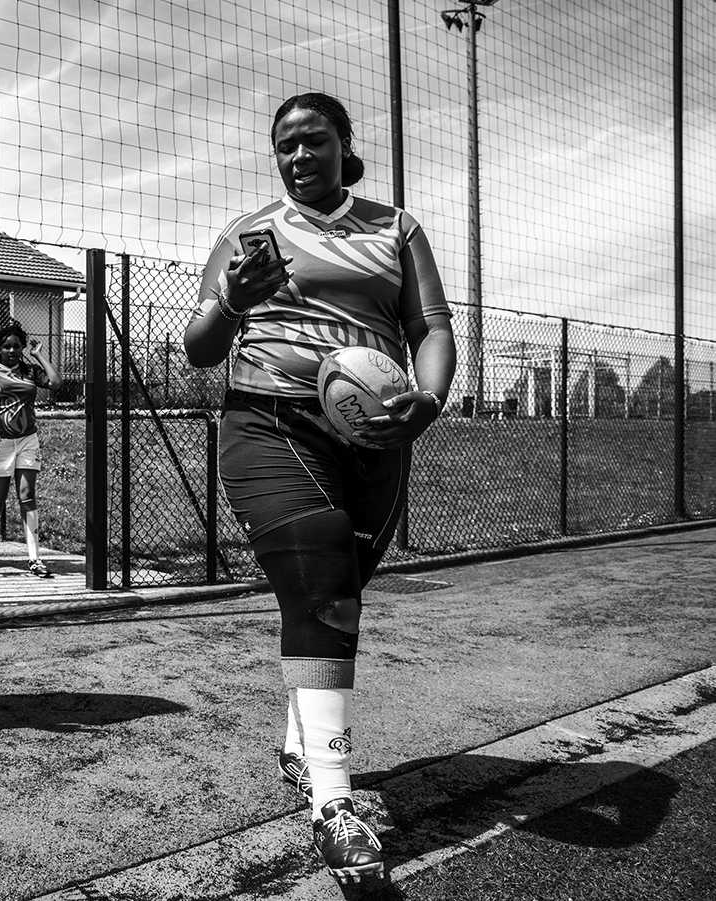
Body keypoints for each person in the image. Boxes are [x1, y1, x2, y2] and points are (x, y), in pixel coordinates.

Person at [182, 92, 455, 885]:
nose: (299, 157)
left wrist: (427, 402)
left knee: (336, 595)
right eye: (285, 147)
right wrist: (235, 298)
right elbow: (201, 346)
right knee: (326, 588)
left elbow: (429, 326)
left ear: (344, 145)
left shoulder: (396, 229)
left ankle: (300, 742)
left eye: (314, 141)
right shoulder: (248, 234)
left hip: (376, 434)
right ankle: (335, 807)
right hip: (270, 421)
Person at [0, 321, 61, 577]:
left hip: (27, 439)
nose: (11, 351)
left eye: (16, 346)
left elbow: (55, 382)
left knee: (27, 495)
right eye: (6, 346)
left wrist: (39, 354)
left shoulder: (30, 371)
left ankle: (34, 558)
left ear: (22, 348)